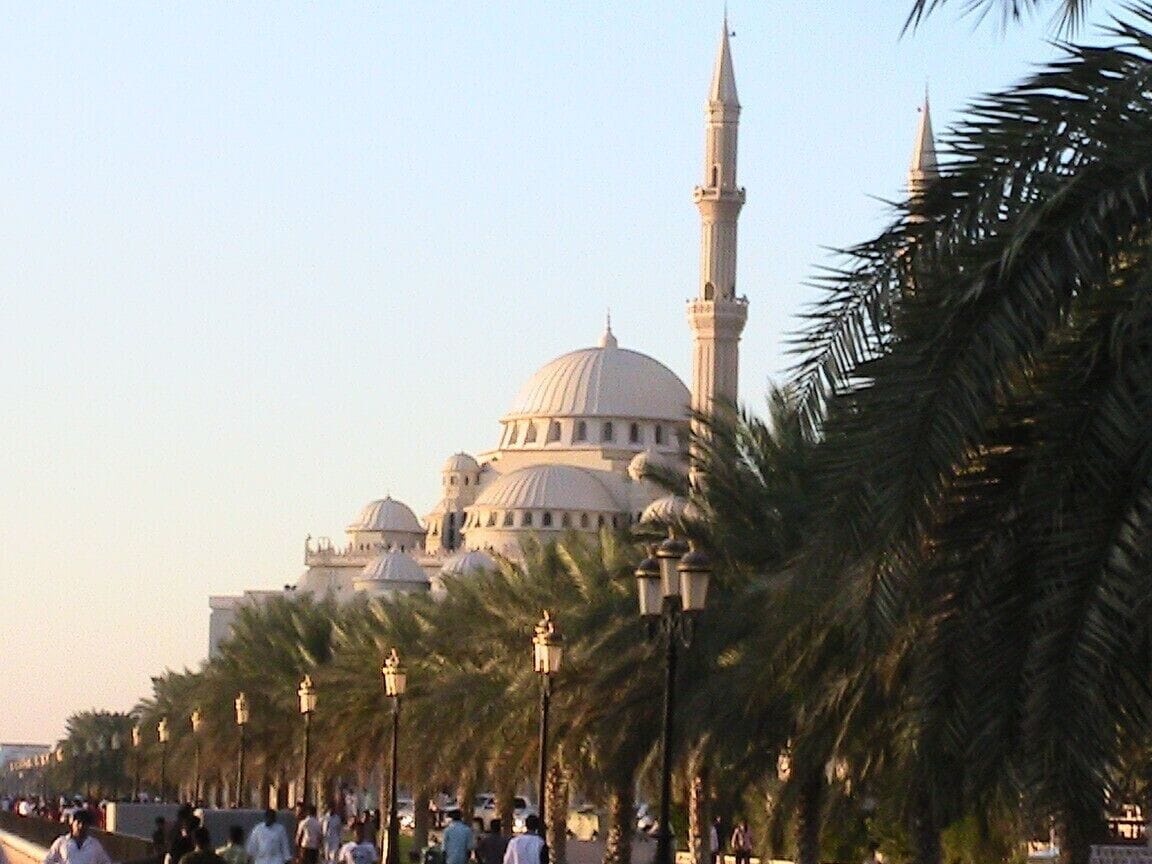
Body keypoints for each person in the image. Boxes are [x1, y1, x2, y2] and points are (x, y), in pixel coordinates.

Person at [43, 809, 113, 864]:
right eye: (78, 823)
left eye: (84, 824)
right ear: (72, 823)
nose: (81, 826)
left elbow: (106, 862)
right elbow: (48, 861)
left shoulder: (94, 845)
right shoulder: (61, 842)